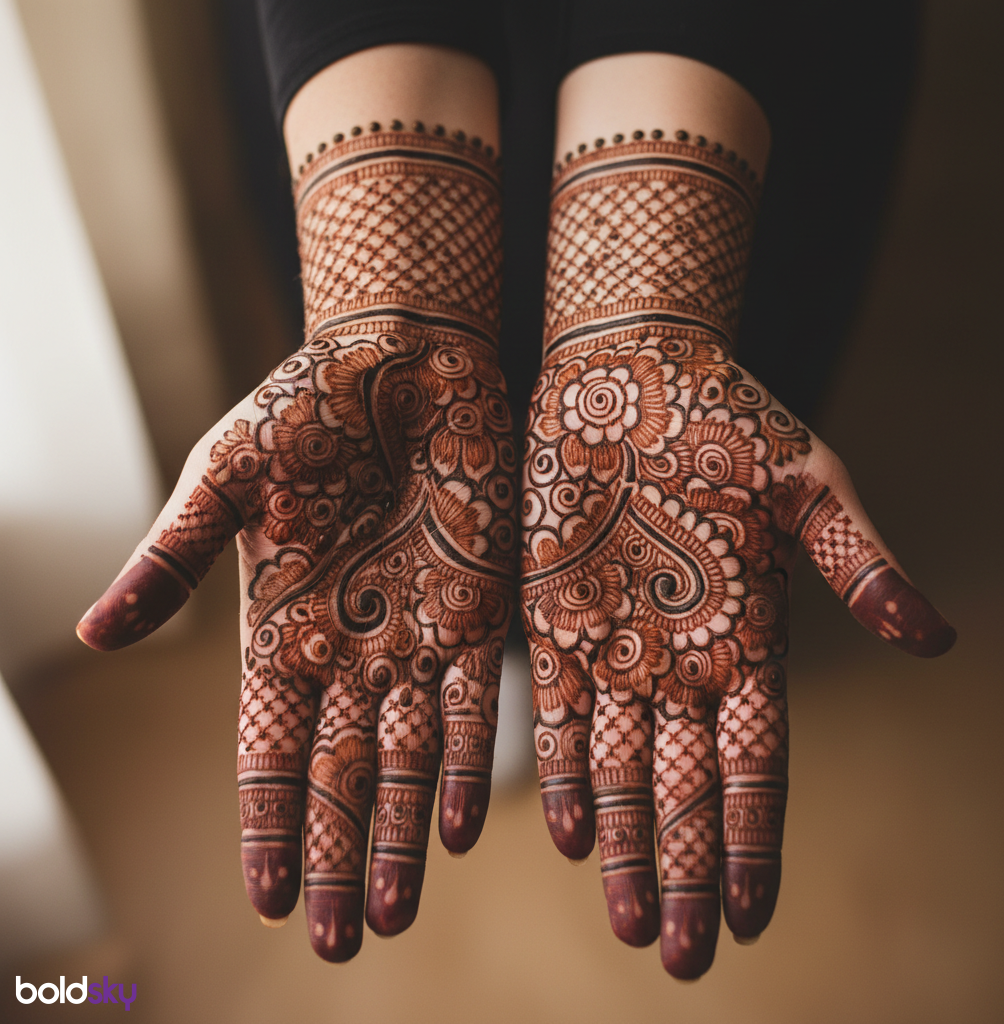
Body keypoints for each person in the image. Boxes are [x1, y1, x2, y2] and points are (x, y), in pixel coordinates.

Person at [76, 1, 955, 980]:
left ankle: (537, 649)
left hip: (749, 49)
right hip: (358, 62)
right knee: (405, 443)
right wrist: (387, 296)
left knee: (690, 429)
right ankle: (496, 647)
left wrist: (646, 318)